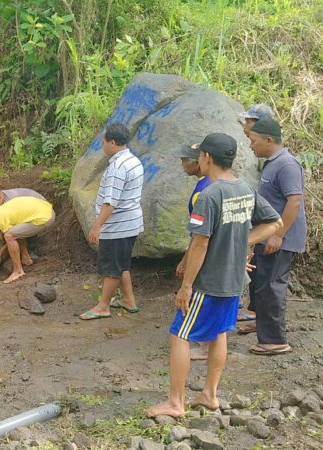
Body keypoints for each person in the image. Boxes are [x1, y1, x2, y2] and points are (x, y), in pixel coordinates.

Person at [146, 133, 281, 419]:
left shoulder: (209, 195)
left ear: (207, 158)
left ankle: (175, 402)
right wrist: (243, 241)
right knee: (219, 333)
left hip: (208, 282)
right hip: (233, 281)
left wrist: (186, 285)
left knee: (179, 334)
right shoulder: (245, 189)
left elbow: (200, 243)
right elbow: (274, 223)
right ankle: (209, 394)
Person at [246, 118, 306, 355]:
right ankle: (264, 327)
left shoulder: (287, 165)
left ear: (268, 140)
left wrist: (278, 235)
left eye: (253, 141)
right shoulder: (271, 163)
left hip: (280, 237)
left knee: (272, 285)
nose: (251, 146)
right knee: (262, 284)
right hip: (268, 234)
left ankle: (274, 340)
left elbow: (295, 201)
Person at [80, 123, 144, 320]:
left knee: (111, 267)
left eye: (104, 142)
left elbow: (110, 203)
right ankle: (128, 300)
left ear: (113, 142)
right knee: (121, 263)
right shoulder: (133, 160)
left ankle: (103, 306)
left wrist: (97, 226)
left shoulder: (118, 167)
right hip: (130, 223)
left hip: (118, 226)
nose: (103, 146)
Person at [172, 143, 214, 360]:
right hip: (210, 250)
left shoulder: (202, 192)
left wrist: (186, 259)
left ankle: (206, 346)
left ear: (197, 162)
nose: (182, 164)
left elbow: (198, 236)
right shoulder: (210, 184)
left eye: (184, 160)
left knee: (200, 294)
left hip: (203, 251)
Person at [0, 196, 55, 283]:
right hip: (45, 210)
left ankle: (18, 271)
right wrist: (6, 245)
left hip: (44, 217)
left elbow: (10, 237)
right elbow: (14, 231)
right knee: (14, 232)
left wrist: (6, 246)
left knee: (9, 236)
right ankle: (26, 258)